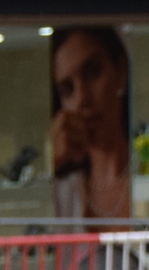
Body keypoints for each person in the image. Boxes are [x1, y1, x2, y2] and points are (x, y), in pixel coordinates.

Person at [50, 27, 132, 220]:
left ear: (120, 71)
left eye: (93, 72)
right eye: (67, 89)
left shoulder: (146, 173)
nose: (82, 99)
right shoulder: (63, 190)